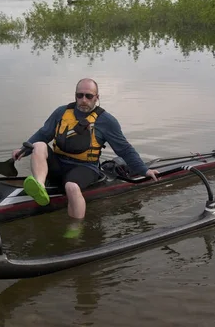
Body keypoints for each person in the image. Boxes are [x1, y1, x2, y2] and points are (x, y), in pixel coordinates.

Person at [12, 78, 159, 238]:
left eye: (88, 96)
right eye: (79, 95)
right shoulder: (61, 112)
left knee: (72, 187)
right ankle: (39, 186)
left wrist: (143, 170)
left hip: (85, 167)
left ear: (97, 97)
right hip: (59, 163)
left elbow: (124, 149)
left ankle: (75, 228)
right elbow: (43, 134)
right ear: (75, 96)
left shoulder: (106, 121)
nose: (83, 100)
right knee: (39, 145)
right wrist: (23, 150)